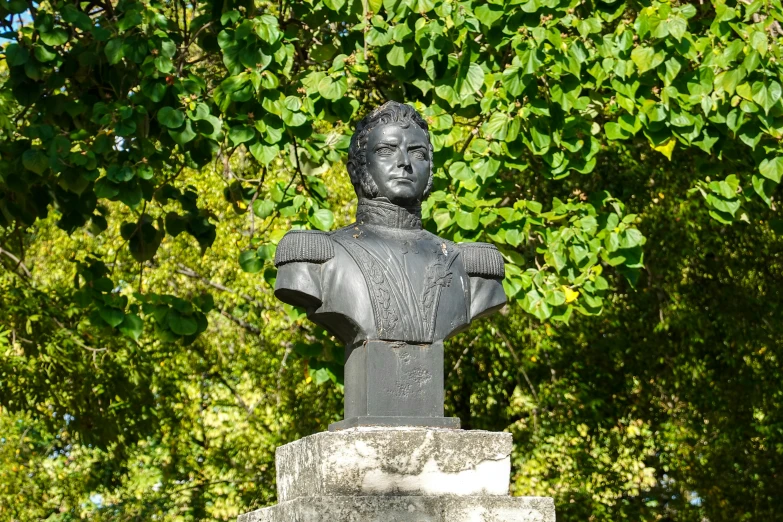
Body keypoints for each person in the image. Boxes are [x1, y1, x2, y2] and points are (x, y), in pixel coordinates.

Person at [273, 101, 506, 350]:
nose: (405, 161)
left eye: (418, 153)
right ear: (355, 170)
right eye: (386, 150)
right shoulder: (315, 258)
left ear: (431, 170)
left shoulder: (470, 269)